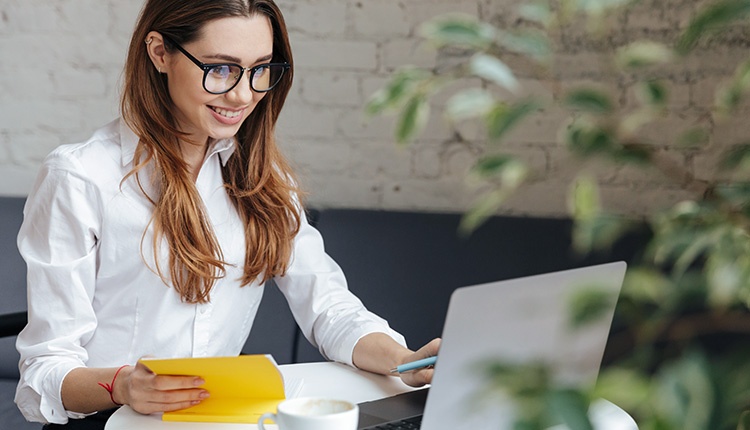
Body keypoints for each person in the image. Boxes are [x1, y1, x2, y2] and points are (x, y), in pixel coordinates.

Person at [14, 0, 440, 428]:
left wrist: (403, 361)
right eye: (220, 68)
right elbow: (45, 371)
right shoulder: (81, 177)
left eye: (260, 70)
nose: (243, 95)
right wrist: (124, 385)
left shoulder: (261, 178)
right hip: (109, 422)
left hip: (217, 421)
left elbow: (329, 307)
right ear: (159, 52)